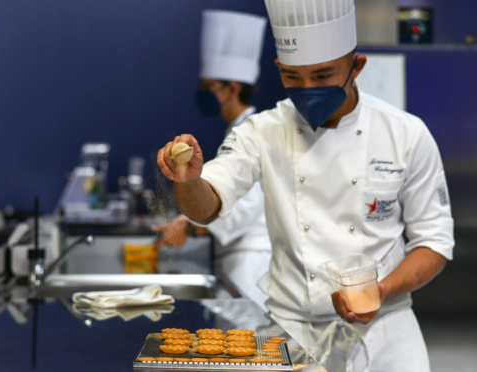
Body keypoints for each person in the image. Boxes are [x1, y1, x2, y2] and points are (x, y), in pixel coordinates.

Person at [155, 1, 454, 371]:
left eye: (323, 76)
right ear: (279, 68)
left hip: (385, 338)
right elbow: (207, 204)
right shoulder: (261, 131)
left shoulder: (405, 134)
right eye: (294, 78)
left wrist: (380, 291)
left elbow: (434, 242)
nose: (308, 89)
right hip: (292, 335)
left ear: (356, 67)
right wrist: (188, 181)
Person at [152, 10, 271, 309]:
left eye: (208, 88)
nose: (202, 94)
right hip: (237, 265)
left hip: (253, 269)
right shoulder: (237, 131)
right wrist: (187, 219)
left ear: (231, 88)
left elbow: (241, 210)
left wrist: (188, 227)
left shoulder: (251, 134)